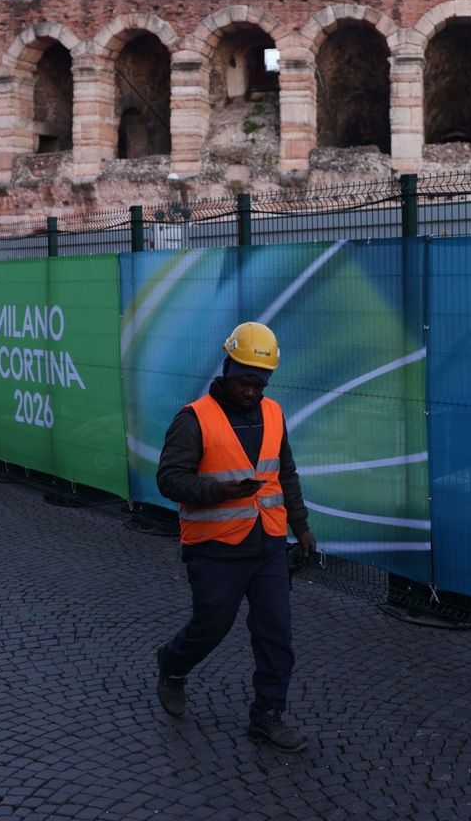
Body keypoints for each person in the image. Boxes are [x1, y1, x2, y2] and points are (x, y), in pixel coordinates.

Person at [154, 321, 316, 752]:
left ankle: (267, 717)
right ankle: (172, 663)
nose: (252, 391)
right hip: (214, 548)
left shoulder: (274, 413)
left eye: (260, 383)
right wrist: (220, 491)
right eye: (245, 381)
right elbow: (169, 480)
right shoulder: (193, 420)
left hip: (267, 546)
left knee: (276, 633)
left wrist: (300, 526)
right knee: (212, 625)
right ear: (227, 368)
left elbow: (286, 474)